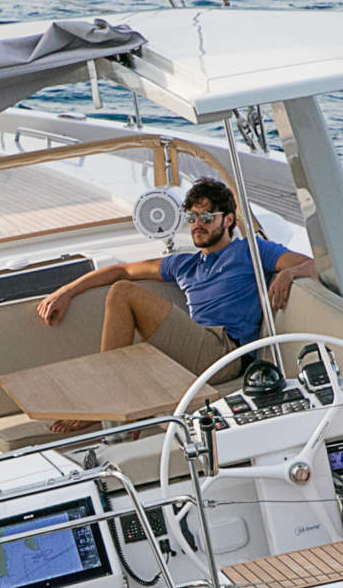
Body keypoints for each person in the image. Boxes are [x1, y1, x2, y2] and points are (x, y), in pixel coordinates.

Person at [34, 177, 317, 433]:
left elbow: (316, 264)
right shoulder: (184, 264)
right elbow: (121, 270)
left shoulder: (250, 250)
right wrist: (67, 291)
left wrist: (289, 273)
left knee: (123, 293)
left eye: (207, 216)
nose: (197, 224)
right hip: (199, 347)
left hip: (226, 353)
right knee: (129, 330)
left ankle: (106, 405)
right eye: (192, 217)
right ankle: (126, 416)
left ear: (228, 220)